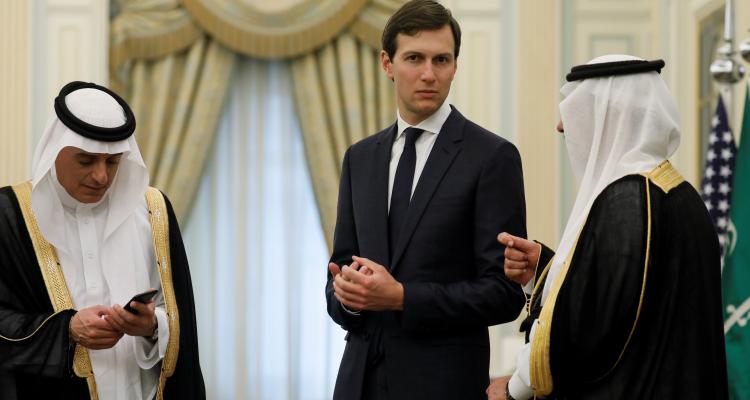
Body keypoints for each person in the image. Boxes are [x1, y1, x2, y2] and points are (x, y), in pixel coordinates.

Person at [487, 55, 728, 399]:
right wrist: (546, 269)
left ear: (609, 118)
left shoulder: (626, 201)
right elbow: (631, 299)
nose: (561, 127)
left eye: (576, 114)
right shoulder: (677, 193)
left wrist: (514, 389)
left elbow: (584, 332)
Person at [325, 1, 527, 399]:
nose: (429, 74)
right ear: (387, 63)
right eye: (414, 58)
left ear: (455, 66)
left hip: (444, 385)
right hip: (358, 383)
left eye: (441, 60)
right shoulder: (359, 158)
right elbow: (339, 272)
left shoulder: (492, 157)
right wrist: (347, 298)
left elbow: (504, 295)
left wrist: (402, 297)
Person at [0, 81, 205, 399]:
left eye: (113, 162)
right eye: (85, 161)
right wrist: (67, 330)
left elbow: (180, 316)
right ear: (55, 150)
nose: (101, 177)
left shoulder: (153, 211)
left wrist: (152, 326)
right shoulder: (9, 215)